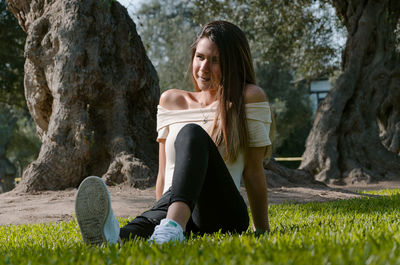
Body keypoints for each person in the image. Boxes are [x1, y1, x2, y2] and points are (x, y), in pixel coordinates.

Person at [75, 20, 273, 245]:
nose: (204, 67)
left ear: (234, 64)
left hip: (223, 214)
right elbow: (164, 173)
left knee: (191, 134)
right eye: (200, 57)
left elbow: (254, 171)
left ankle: (171, 227)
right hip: (178, 207)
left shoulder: (248, 97)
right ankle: (116, 238)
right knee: (151, 218)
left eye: (215, 60)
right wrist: (161, 213)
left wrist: (262, 229)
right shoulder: (171, 101)